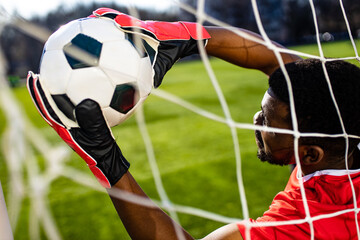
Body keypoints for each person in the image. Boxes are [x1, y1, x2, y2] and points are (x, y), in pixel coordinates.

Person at [27, 7, 360, 240]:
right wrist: (180, 37)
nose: (256, 121)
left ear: (311, 154)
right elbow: (277, 61)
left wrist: (105, 159)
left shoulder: (309, 224)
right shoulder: (342, 123)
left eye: (268, 122)